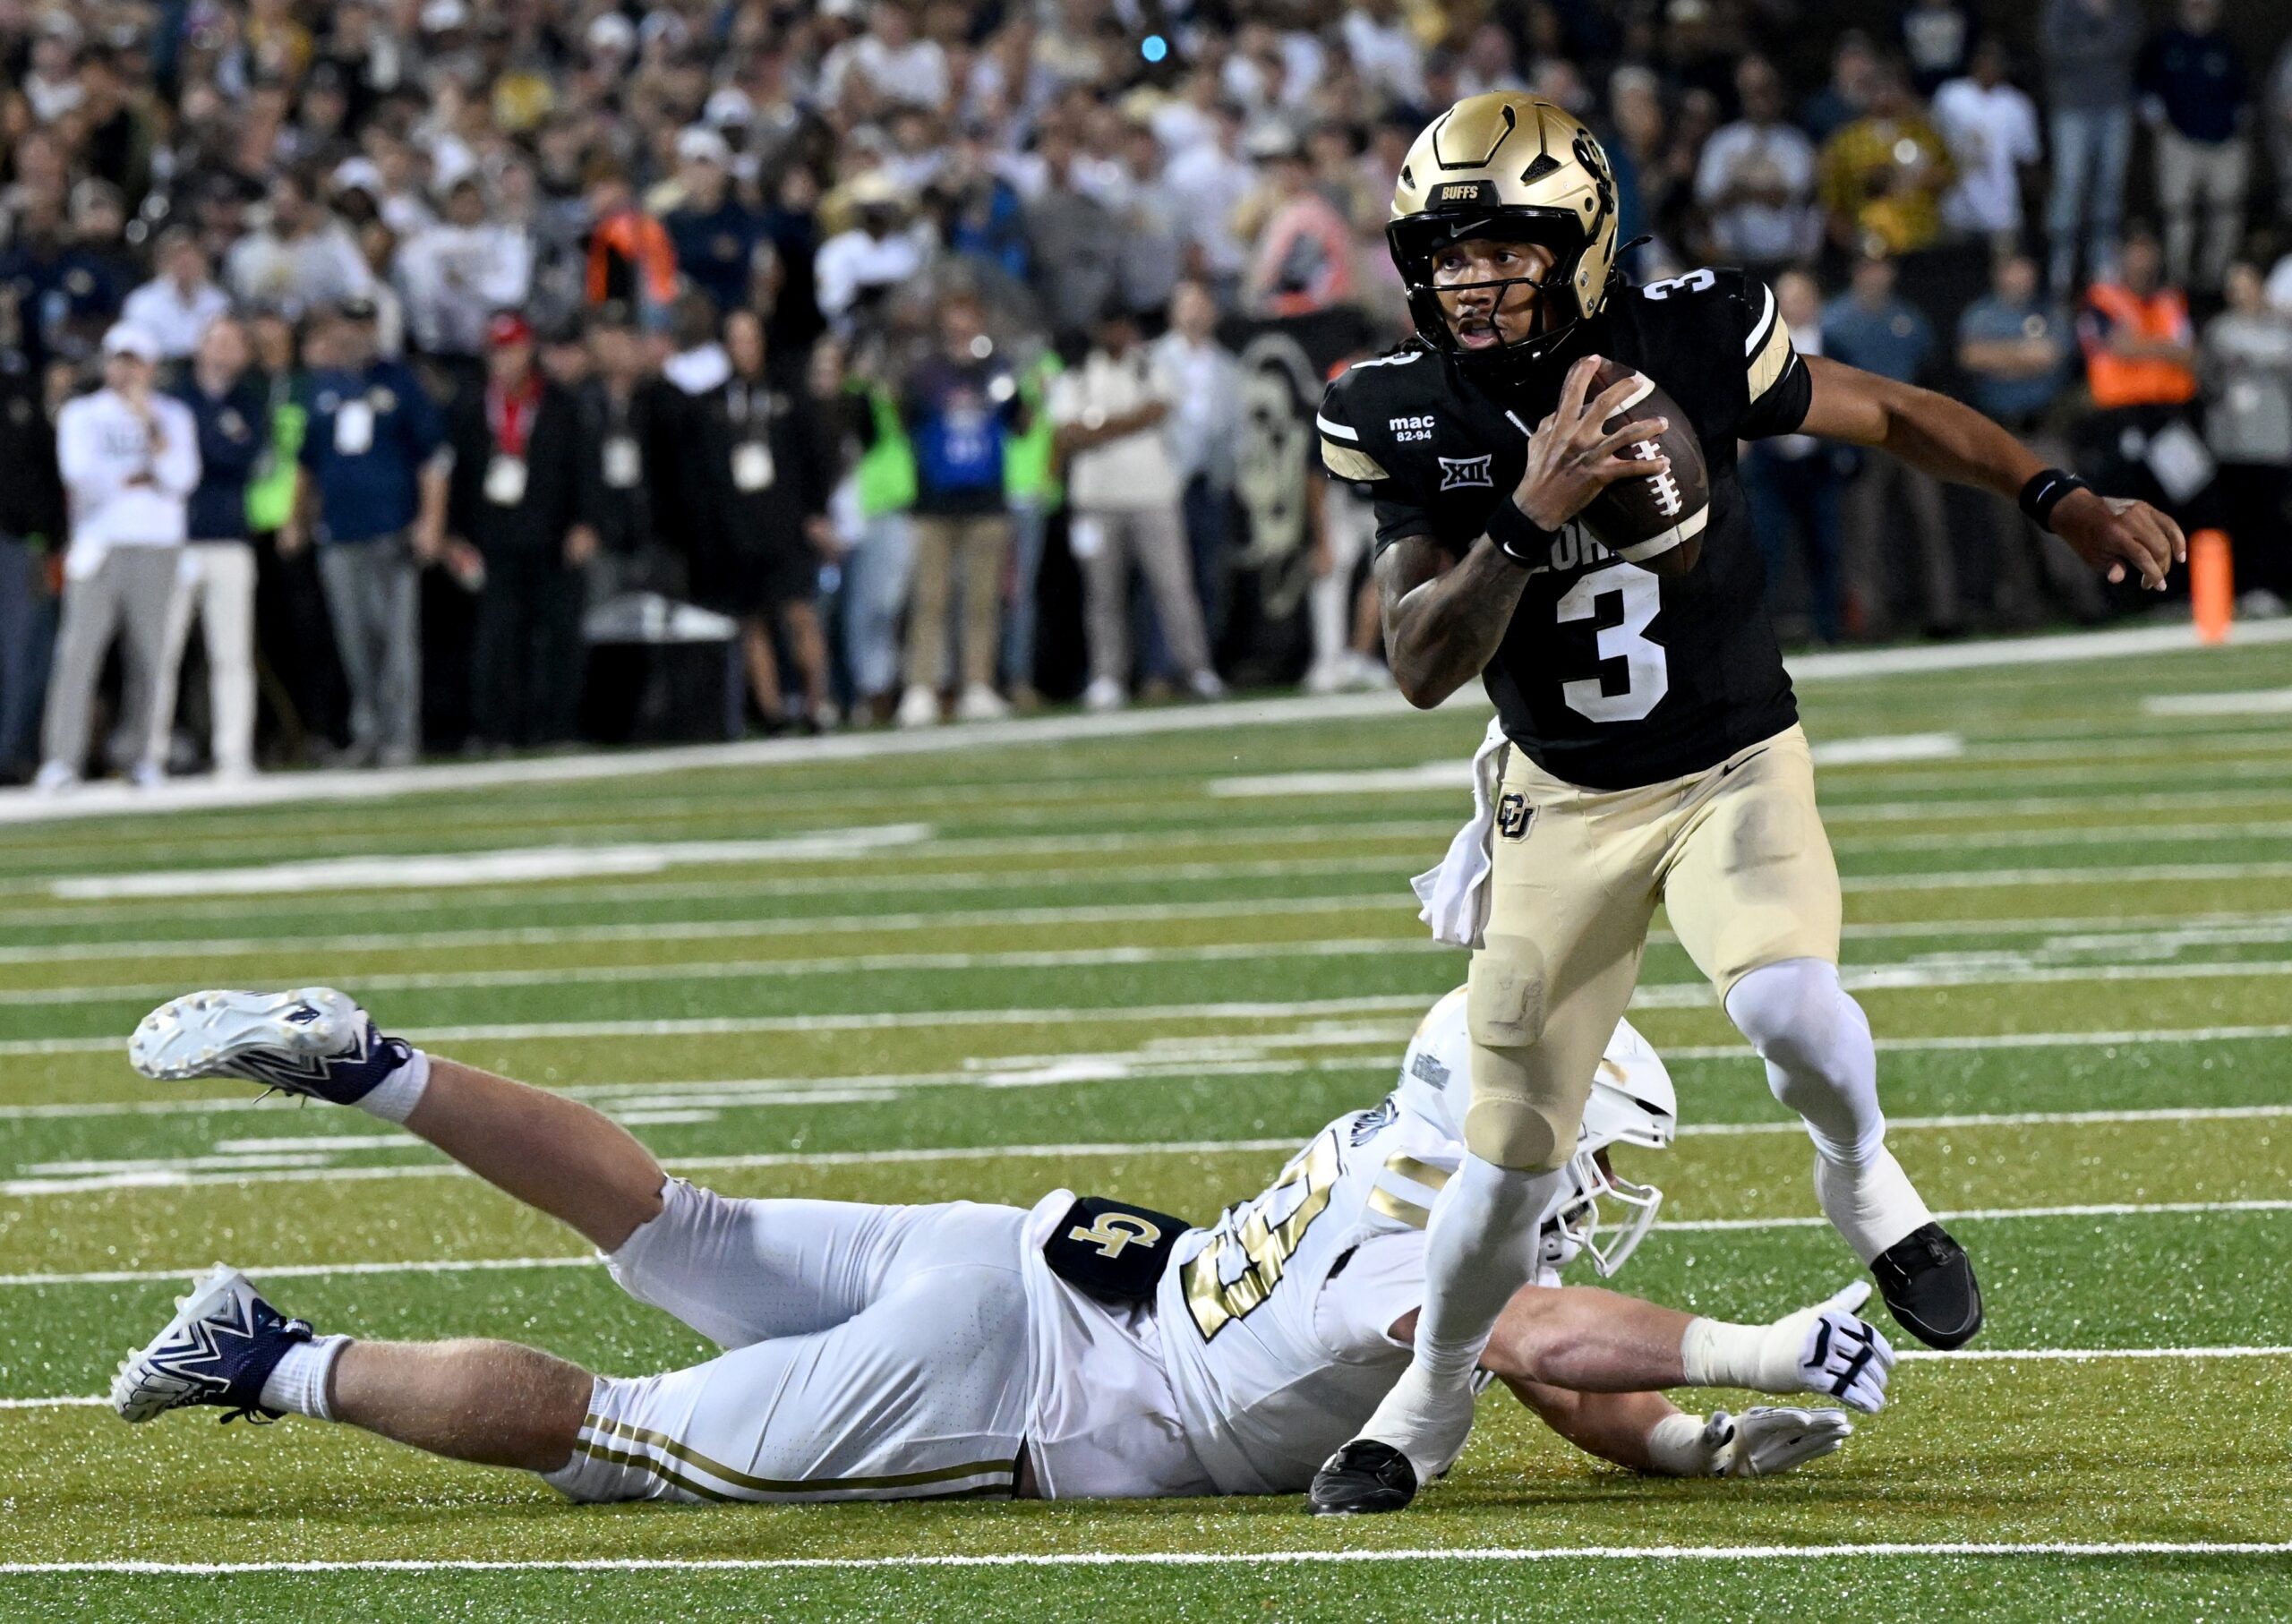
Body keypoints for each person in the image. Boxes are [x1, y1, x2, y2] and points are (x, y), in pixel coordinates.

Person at [1304, 91, 2180, 1515]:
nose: (1473, 280)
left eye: (1507, 248)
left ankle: (1862, 1177)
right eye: (1448, 253)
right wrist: (1528, 519)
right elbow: (1417, 663)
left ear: (1584, 244)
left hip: (1730, 762)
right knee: (1508, 1153)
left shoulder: (1696, 333)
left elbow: (1892, 411)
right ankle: (1433, 1394)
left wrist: (2055, 495)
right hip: (1560, 800)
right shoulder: (1396, 406)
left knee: (1790, 1008)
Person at [113, 983, 1892, 1500]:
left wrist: (1690, 1441)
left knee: (669, 1216)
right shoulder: (1442, 1245)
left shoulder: (1388, 1145)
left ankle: (374, 1065)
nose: (1600, 1184)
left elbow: (1543, 1359)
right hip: (1025, 1377)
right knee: (619, 1435)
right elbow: (1533, 1333)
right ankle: (262, 1352)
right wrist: (1758, 1345)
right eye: (1597, 1154)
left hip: (1017, 1253)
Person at [34, 324, 201, 791]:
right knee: (77, 656)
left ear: (151, 367)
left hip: (158, 545)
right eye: (119, 361)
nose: (126, 371)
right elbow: (81, 477)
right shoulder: (83, 414)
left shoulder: (173, 415)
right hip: (100, 546)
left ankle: (142, 756)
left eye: (135, 362)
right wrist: (140, 475)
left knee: (151, 658)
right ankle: (61, 759)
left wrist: (149, 426)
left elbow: (181, 477)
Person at [287, 297, 447, 769]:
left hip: (391, 527)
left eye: (365, 325)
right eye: (349, 324)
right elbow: (307, 463)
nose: (357, 334)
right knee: (353, 639)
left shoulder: (401, 382)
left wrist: (431, 522)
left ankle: (400, 734)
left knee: (394, 638)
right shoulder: (323, 386)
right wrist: (297, 520)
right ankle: (368, 732)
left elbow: (433, 458)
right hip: (338, 531)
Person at [1050, 305, 1223, 714]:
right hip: (1095, 501)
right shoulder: (1079, 372)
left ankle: (1196, 670)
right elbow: (1066, 432)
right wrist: (1128, 422)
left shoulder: (1149, 366)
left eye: (1121, 326)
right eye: (1109, 326)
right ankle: (1107, 676)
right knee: (1101, 593)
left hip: (1152, 495)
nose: (1116, 333)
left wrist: (1101, 428)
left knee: (1173, 586)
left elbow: (1159, 410)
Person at [673, 309, 837, 735]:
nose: (744, 349)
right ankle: (772, 710)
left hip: (786, 523)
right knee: (751, 621)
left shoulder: (788, 396)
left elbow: (816, 458)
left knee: (800, 613)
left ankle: (816, 705)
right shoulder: (710, 405)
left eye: (751, 339)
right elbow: (700, 476)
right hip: (737, 528)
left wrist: (816, 513)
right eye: (736, 340)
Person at [442, 312, 598, 752]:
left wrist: (587, 522)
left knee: (559, 635)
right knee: (498, 637)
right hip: (495, 538)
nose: (503, 361)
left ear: (528, 351)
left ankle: (557, 728)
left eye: (511, 351)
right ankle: (498, 731)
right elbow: (458, 476)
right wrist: (454, 535)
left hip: (553, 536)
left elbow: (585, 468)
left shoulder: (561, 405)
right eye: (496, 352)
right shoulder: (471, 408)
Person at [892, 291, 1028, 728]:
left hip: (986, 498)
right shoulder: (925, 373)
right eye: (954, 317)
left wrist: (1023, 395)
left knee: (982, 601)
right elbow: (906, 423)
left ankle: (977, 685)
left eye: (968, 317)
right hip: (935, 501)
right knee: (929, 599)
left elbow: (1020, 426)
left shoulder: (998, 369)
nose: (961, 326)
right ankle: (921, 687)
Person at [1956, 254, 2105, 626]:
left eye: (2025, 269)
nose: (2019, 277)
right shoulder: (1981, 314)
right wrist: (2023, 355)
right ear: (1999, 274)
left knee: (2064, 508)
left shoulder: (2049, 312)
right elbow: (1972, 356)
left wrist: (2002, 358)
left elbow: (2052, 356)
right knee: (2008, 521)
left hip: (2044, 427)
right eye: (2012, 270)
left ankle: (2083, 598)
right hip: (2002, 431)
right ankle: (2023, 606)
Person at [1822, 255, 1958, 637]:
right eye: (1867, 267)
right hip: (1863, 433)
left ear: (1891, 272)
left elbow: (1930, 372)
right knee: (1866, 529)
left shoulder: (1909, 318)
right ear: (1855, 272)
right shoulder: (1835, 320)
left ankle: (1943, 613)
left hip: (1911, 434)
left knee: (1930, 522)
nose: (1874, 275)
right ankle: (1869, 618)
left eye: (1880, 267)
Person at [169, 316, 271, 780]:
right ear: (200, 348)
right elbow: (181, 462)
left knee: (232, 654)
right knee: (163, 653)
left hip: (230, 538)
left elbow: (243, 458)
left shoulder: (250, 402)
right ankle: (150, 752)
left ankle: (234, 753)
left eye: (234, 342)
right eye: (217, 341)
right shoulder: (176, 399)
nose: (225, 350)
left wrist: (200, 446)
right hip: (178, 540)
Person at [2136, 0, 2251, 295]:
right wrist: (2159, 124)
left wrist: (2238, 127)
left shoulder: (2227, 43)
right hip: (2179, 141)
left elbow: (2245, 94)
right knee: (2178, 218)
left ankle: (2215, 286)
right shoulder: (2165, 42)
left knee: (2226, 216)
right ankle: (2177, 286)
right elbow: (2143, 87)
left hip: (2224, 144)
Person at [2197, 261, 2292, 611]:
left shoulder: (2281, 328)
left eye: (2246, 284)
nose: (2240, 293)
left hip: (2273, 437)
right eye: (2234, 287)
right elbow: (2207, 378)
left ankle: (2267, 587)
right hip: (2232, 439)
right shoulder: (2220, 329)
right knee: (2236, 516)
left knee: (2271, 515)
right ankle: (2232, 588)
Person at [2040, 0, 2143, 299]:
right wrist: (2102, 45)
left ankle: (2104, 269)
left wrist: (2086, 44)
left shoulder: (2124, 8)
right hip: (2071, 107)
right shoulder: (2060, 8)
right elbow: (2055, 49)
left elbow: (2130, 43)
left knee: (2109, 187)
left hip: (2115, 106)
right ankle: (2059, 269)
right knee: (2069, 185)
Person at [0, 349, 68, 784]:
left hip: (25, 542)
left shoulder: (21, 388)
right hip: (16, 539)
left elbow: (46, 470)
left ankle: (13, 753)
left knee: (29, 652)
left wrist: (54, 539)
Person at [1691, 57, 1820, 281]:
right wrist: (1757, 193)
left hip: (1784, 259)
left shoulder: (1796, 143)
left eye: (1766, 89)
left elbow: (1788, 196)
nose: (1760, 98)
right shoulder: (1721, 142)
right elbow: (1707, 199)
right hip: (1731, 261)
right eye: (1752, 91)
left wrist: (1740, 191)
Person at [1931, 40, 2041, 259]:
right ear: (1975, 62)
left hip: (2001, 212)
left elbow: (2028, 159)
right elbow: (1932, 140)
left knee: (2006, 266)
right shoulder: (1951, 95)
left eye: (1997, 61)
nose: (1990, 66)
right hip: (1957, 208)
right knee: (1955, 268)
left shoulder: (2016, 104)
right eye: (1986, 59)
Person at [120, 228, 234, 363]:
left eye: (191, 258)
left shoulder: (218, 301)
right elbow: (136, 347)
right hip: (159, 366)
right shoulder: (141, 302)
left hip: (203, 366)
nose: (184, 264)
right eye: (177, 258)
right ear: (162, 263)